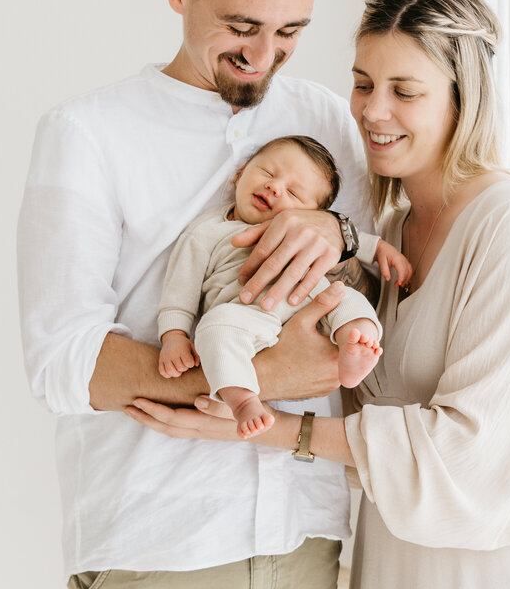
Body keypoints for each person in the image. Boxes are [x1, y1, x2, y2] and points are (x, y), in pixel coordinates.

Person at [128, 0, 510, 589]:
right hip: (399, 569)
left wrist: (270, 432)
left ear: (462, 96)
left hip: (492, 587)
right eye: (362, 83)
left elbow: (471, 451)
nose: (372, 112)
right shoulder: (389, 226)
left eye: (404, 91)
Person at [17, 0, 379, 589]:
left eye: (291, 30)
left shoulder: (328, 121)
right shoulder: (86, 136)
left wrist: (343, 232)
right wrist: (261, 378)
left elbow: (365, 291)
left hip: (302, 538)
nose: (263, 55)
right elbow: (63, 360)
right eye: (242, 26)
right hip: (152, 544)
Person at [157, 134, 406, 437]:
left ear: (312, 217)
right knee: (214, 328)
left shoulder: (302, 230)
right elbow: (180, 289)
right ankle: (243, 400)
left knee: (346, 297)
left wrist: (379, 248)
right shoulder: (207, 231)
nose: (274, 187)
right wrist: (173, 336)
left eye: (294, 192)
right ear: (241, 172)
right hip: (248, 315)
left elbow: (347, 241)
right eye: (268, 173)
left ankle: (355, 345)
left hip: (309, 299)